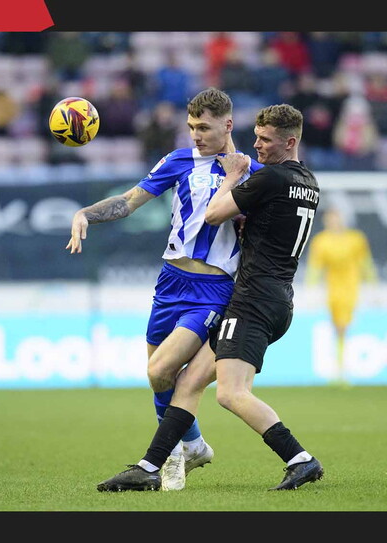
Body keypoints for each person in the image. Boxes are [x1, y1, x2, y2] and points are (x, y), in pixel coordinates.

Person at [96, 104, 324, 492]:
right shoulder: (308, 181)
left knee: (231, 393)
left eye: (265, 140)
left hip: (251, 300)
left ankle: (300, 459)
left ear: (290, 142)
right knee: (187, 383)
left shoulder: (270, 178)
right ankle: (151, 467)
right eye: (256, 137)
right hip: (274, 297)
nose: (257, 146)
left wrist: (233, 175)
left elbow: (215, 213)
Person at [66, 88, 264, 491]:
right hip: (170, 282)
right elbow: (129, 201)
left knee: (161, 369)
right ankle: (193, 445)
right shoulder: (178, 161)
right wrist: (85, 213)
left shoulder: (253, 173)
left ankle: (168, 458)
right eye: (191, 127)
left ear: (228, 125)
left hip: (213, 289)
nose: (195, 135)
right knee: (159, 378)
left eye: (204, 127)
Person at [305, 206, 378, 386]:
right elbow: (315, 267)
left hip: (351, 288)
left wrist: (373, 286)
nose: (334, 222)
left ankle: (341, 371)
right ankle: (340, 370)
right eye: (330, 219)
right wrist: (310, 289)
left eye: (336, 218)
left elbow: (365, 263)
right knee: (337, 327)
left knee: (343, 326)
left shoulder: (356, 239)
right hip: (332, 289)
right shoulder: (321, 241)